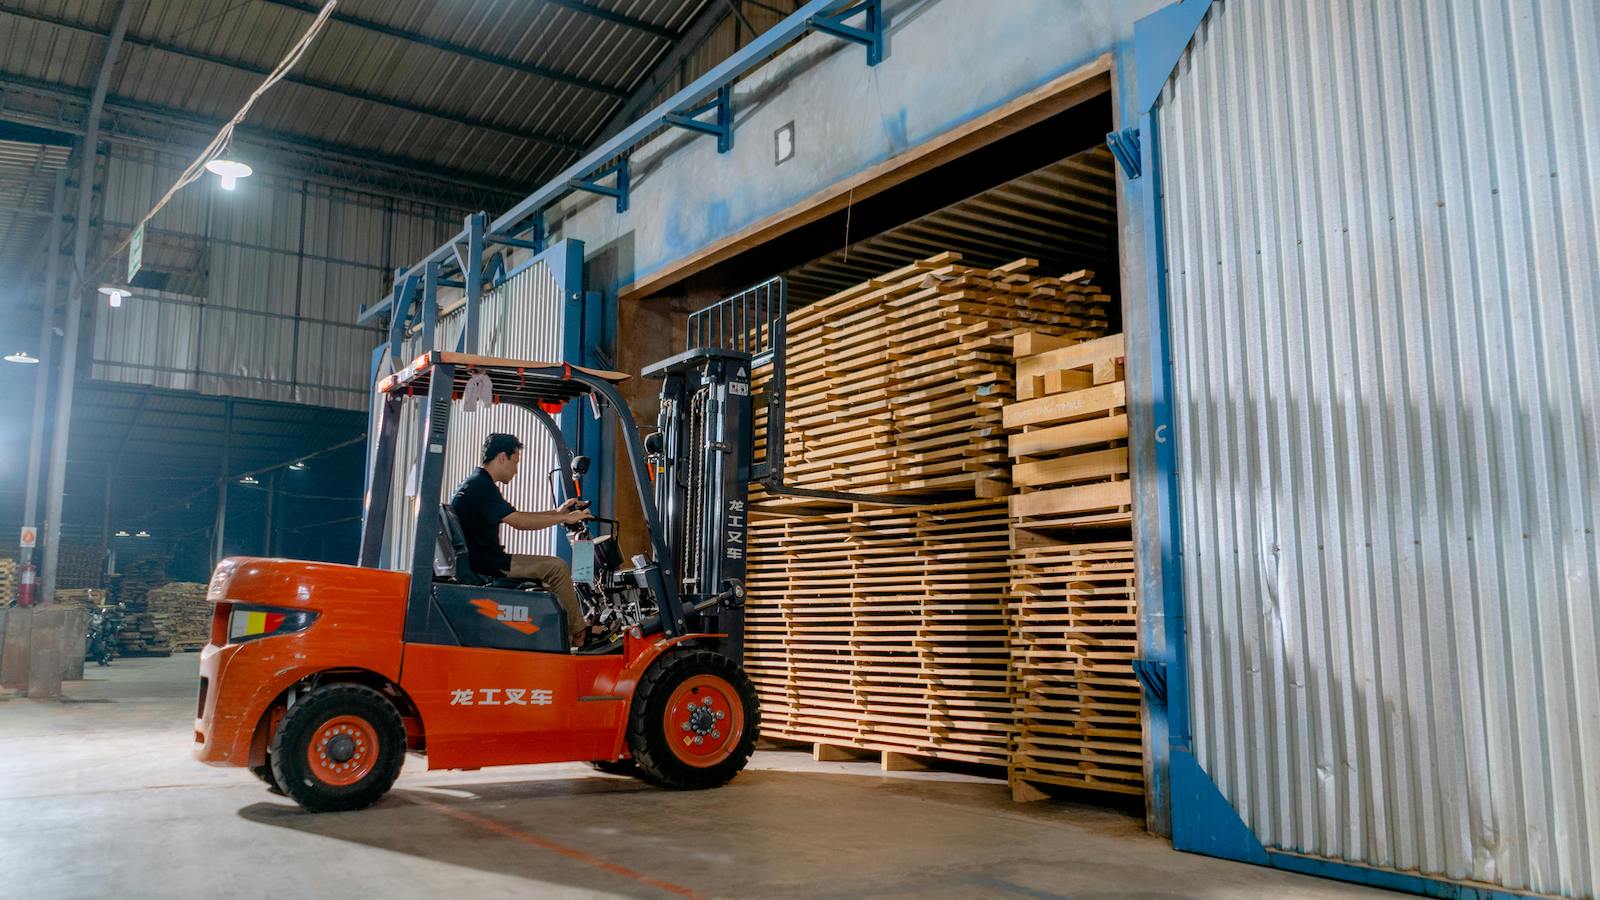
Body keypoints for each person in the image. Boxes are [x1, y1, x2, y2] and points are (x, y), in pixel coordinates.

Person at [449, 433, 598, 648]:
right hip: (489, 565)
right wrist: (564, 518)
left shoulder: (475, 483)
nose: (516, 471)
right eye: (515, 462)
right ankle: (580, 634)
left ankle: (559, 635)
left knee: (551, 576)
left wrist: (556, 513)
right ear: (502, 457)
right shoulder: (482, 487)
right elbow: (519, 522)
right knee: (557, 567)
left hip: (484, 560)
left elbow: (517, 515)